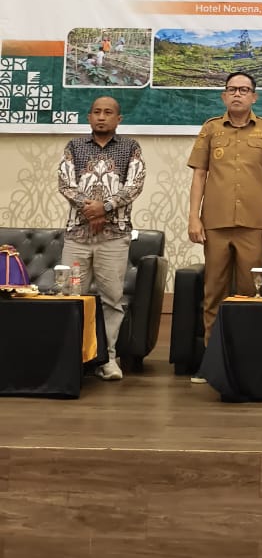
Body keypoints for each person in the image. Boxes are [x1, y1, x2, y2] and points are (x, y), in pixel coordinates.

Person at [187, 70, 262, 351]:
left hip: (254, 224)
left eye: (244, 90)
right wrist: (194, 217)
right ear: (224, 96)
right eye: (232, 89)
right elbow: (199, 174)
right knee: (214, 293)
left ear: (254, 97)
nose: (237, 94)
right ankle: (213, 358)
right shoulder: (211, 128)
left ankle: (248, 356)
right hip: (215, 223)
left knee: (251, 291)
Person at [58, 96, 146, 381]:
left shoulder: (130, 147)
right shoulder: (74, 146)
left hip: (114, 236)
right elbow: (66, 184)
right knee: (71, 298)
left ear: (118, 119)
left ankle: (107, 359)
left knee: (111, 299)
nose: (101, 117)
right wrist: (91, 210)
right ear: (89, 117)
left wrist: (104, 208)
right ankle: (71, 359)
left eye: (108, 112)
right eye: (96, 112)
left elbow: (134, 185)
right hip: (77, 235)